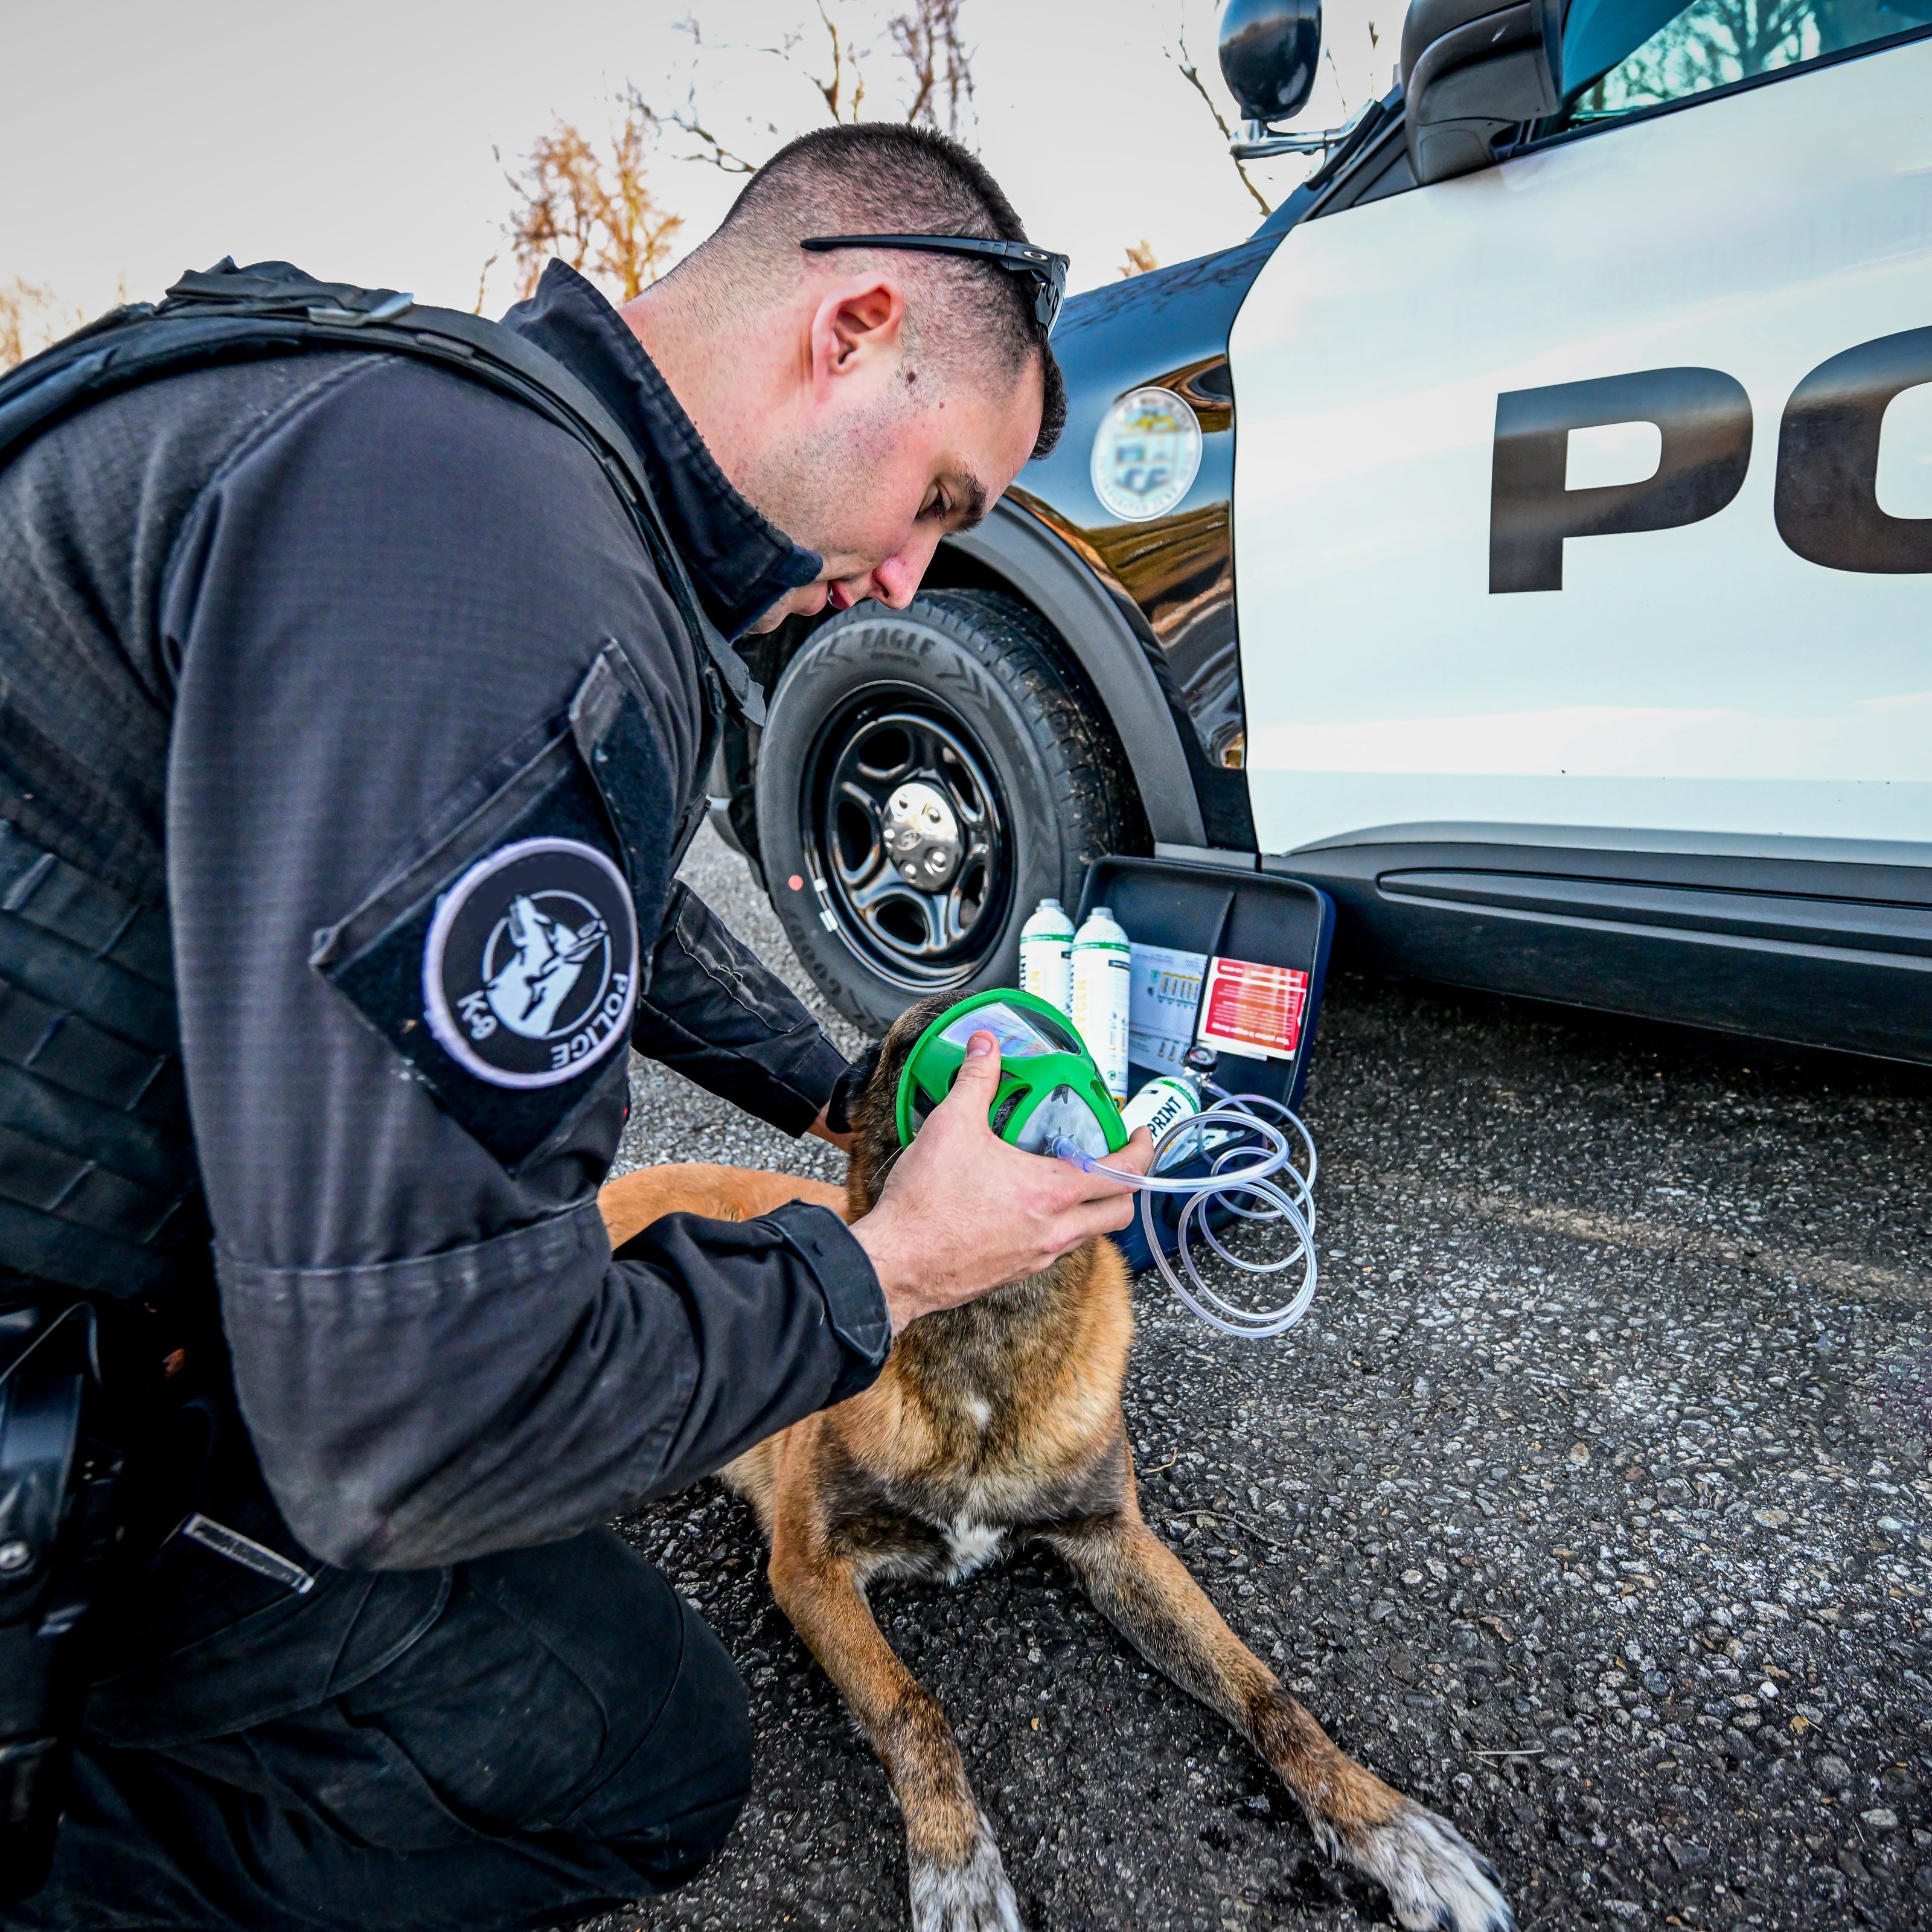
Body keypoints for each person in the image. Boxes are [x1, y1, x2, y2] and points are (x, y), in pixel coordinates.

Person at [0, 123, 1148, 1931]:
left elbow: (576, 885)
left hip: (97, 1269)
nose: (915, 583)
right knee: (645, 1748)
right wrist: (889, 1272)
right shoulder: (502, 569)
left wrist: (839, 1080)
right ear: (851, 327)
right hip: (61, 1428)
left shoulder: (461, 453)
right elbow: (405, 1434)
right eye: (938, 503)